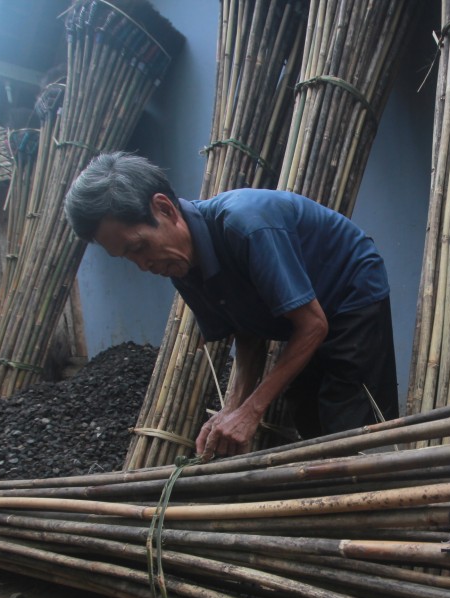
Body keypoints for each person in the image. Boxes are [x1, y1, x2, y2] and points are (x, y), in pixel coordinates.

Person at [64, 151, 398, 459]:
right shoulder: (179, 265)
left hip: (348, 289)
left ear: (164, 208)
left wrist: (251, 412)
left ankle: (374, 499)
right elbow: (247, 333)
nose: (142, 265)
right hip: (305, 316)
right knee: (303, 404)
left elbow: (313, 325)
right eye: (126, 257)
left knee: (351, 414)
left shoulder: (245, 225)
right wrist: (232, 409)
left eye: (138, 246)